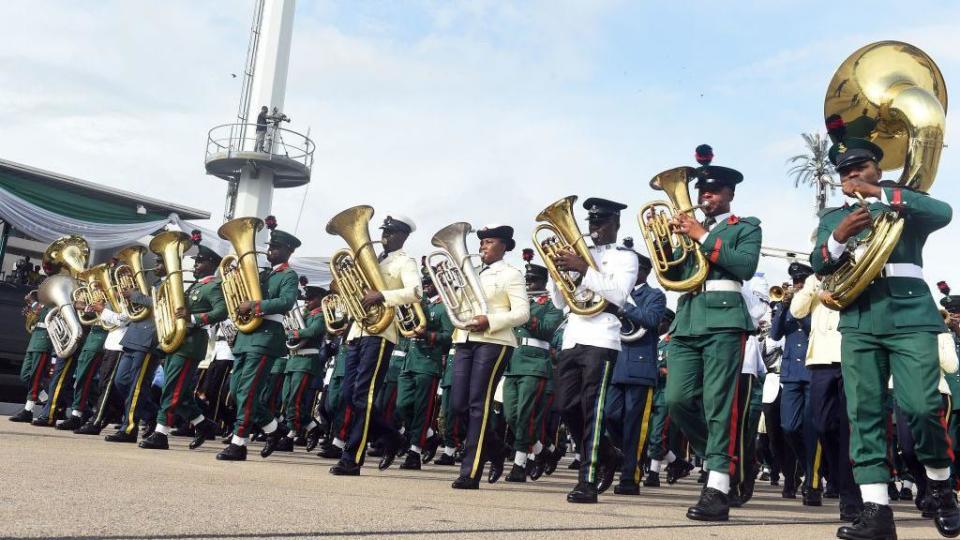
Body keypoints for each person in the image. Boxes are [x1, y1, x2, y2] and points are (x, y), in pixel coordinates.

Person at [811, 135, 958, 539]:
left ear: (877, 167)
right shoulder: (832, 218)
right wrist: (838, 236)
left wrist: (880, 194)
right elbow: (817, 263)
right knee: (864, 414)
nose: (852, 175)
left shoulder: (902, 202)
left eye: (859, 167)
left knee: (923, 407)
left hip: (910, 315)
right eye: (845, 171)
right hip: (859, 320)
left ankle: (942, 486)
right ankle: (876, 510)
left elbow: (943, 211)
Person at [655, 145, 761, 521]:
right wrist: (670, 244)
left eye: (713, 192)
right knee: (676, 400)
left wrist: (700, 235)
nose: (705, 197)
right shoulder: (687, 229)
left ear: (730, 194)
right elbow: (670, 276)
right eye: (702, 191)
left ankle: (716, 485)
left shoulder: (746, 226)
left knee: (719, 405)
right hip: (687, 320)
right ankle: (727, 461)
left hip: (723, 319)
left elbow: (744, 266)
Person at [549, 197, 639, 503]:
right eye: (591, 223)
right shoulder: (578, 254)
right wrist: (556, 274)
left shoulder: (626, 258)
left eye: (600, 223)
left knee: (593, 409)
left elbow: (618, 294)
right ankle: (608, 454)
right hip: (573, 335)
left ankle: (587, 481)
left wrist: (582, 269)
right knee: (564, 406)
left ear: (615, 224)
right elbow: (561, 303)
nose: (594, 228)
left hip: (602, 338)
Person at [329, 214, 421, 475]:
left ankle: (352, 459)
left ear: (403, 236)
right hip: (358, 331)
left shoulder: (405, 262)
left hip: (381, 333)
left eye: (392, 233)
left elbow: (416, 292)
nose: (386, 236)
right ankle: (392, 437)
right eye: (385, 231)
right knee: (348, 396)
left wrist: (382, 295)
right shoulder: (368, 260)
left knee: (363, 395)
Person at [449, 225, 529, 489]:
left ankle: (470, 472)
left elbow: (521, 314)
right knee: (458, 405)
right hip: (465, 340)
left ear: (504, 246)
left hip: (494, 341)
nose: (482, 246)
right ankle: (495, 450)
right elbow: (458, 305)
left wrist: (490, 320)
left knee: (478, 405)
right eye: (481, 242)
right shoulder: (472, 272)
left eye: (489, 241)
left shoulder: (511, 274)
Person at [217, 224, 300, 461]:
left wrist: (255, 306)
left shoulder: (288, 276)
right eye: (270, 247)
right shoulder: (263, 274)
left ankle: (239, 443)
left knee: (248, 391)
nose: (270, 251)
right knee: (237, 391)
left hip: (265, 338)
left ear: (288, 251)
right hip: (246, 337)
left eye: (276, 247)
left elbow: (286, 302)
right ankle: (274, 429)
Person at [140, 240, 227, 450]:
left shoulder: (214, 285)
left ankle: (161, 433)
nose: (195, 265)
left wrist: (193, 318)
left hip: (191, 344)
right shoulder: (196, 285)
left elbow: (221, 311)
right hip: (178, 341)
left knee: (173, 390)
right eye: (196, 261)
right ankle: (203, 424)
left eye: (200, 261)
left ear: (211, 264)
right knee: (183, 393)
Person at [791, 270, 863, 521]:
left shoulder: (855, 269)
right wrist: (812, 284)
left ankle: (850, 496)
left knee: (849, 429)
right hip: (821, 358)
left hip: (850, 356)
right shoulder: (814, 281)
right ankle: (837, 477)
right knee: (822, 425)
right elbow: (797, 311)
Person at [604, 249, 666, 495]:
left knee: (634, 425)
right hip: (616, 362)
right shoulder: (617, 292)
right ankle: (625, 456)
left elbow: (651, 320)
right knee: (610, 416)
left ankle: (630, 475)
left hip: (640, 367)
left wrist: (623, 305)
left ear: (642, 272)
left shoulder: (655, 295)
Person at [502, 262, 564, 482]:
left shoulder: (551, 304)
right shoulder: (519, 301)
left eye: (533, 281)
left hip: (535, 364)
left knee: (525, 416)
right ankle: (542, 450)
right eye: (526, 281)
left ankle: (519, 465)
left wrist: (524, 312)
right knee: (511, 415)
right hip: (513, 363)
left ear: (543, 282)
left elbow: (547, 330)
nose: (529, 284)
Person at [770, 262, 822, 506]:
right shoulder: (786, 304)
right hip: (791, 374)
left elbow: (816, 329)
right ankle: (806, 466)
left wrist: (803, 304)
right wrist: (782, 307)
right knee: (788, 427)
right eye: (795, 282)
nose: (797, 285)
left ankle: (813, 483)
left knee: (812, 430)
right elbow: (775, 335)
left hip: (812, 370)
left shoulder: (817, 302)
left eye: (801, 281)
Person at [102, 255, 164, 443]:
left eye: (160, 263)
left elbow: (162, 306)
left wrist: (136, 296)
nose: (155, 266)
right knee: (121, 381)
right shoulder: (155, 284)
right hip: (133, 336)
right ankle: (152, 414)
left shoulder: (171, 285)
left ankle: (129, 428)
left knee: (137, 385)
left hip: (148, 339)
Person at [394, 274, 453, 470]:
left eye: (430, 284)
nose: (426, 287)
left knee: (421, 410)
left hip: (428, 364)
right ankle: (428, 436)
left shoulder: (444, 307)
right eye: (424, 284)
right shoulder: (415, 304)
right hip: (409, 361)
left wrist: (428, 335)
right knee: (402, 405)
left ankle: (414, 453)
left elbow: (449, 337)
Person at [270, 285, 329, 453]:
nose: (307, 302)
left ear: (319, 299)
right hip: (294, 360)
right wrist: (291, 332)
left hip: (306, 361)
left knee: (295, 400)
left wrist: (296, 334)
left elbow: (314, 330)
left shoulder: (320, 315)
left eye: (310, 299)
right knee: (288, 400)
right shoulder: (303, 315)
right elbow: (291, 331)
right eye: (306, 299)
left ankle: (291, 434)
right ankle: (313, 427)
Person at [9, 289, 52, 423]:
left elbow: (44, 315)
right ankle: (47, 400)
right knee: (25, 376)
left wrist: (33, 304)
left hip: (43, 343)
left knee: (35, 378)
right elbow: (34, 323)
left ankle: (28, 410)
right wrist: (30, 316)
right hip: (34, 342)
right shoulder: (40, 305)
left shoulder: (52, 305)